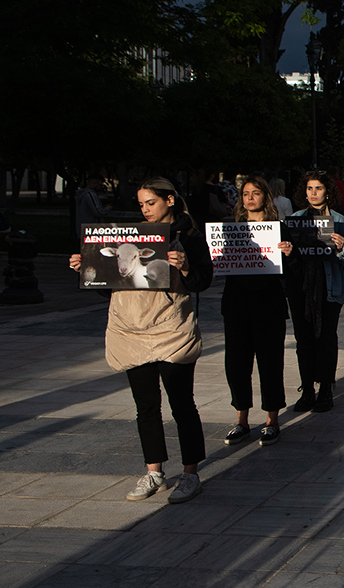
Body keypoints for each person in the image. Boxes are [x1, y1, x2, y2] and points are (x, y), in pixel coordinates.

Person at [68, 177, 212, 503]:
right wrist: (86, 268)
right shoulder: (126, 236)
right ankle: (154, 471)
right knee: (145, 405)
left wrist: (186, 266)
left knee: (181, 403)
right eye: (142, 203)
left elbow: (203, 280)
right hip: (130, 328)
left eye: (151, 202)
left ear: (170, 200)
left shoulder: (188, 235)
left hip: (170, 329)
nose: (145, 209)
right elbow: (110, 284)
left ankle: (190, 474)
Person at [221, 176, 293, 446]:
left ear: (266, 197)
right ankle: (241, 419)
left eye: (255, 193)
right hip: (236, 303)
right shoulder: (231, 229)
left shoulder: (279, 229)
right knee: (237, 365)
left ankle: (271, 419)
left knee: (270, 363)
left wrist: (288, 253)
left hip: (268, 304)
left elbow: (290, 269)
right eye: (245, 193)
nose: (249, 198)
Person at [286, 171, 344, 411]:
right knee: (304, 340)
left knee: (326, 339)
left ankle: (326, 389)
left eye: (318, 188)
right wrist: (287, 250)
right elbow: (288, 258)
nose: (314, 193)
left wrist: (341, 247)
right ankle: (307, 389)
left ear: (327, 191)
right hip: (301, 288)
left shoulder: (339, 220)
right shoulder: (294, 219)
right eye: (309, 188)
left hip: (329, 288)